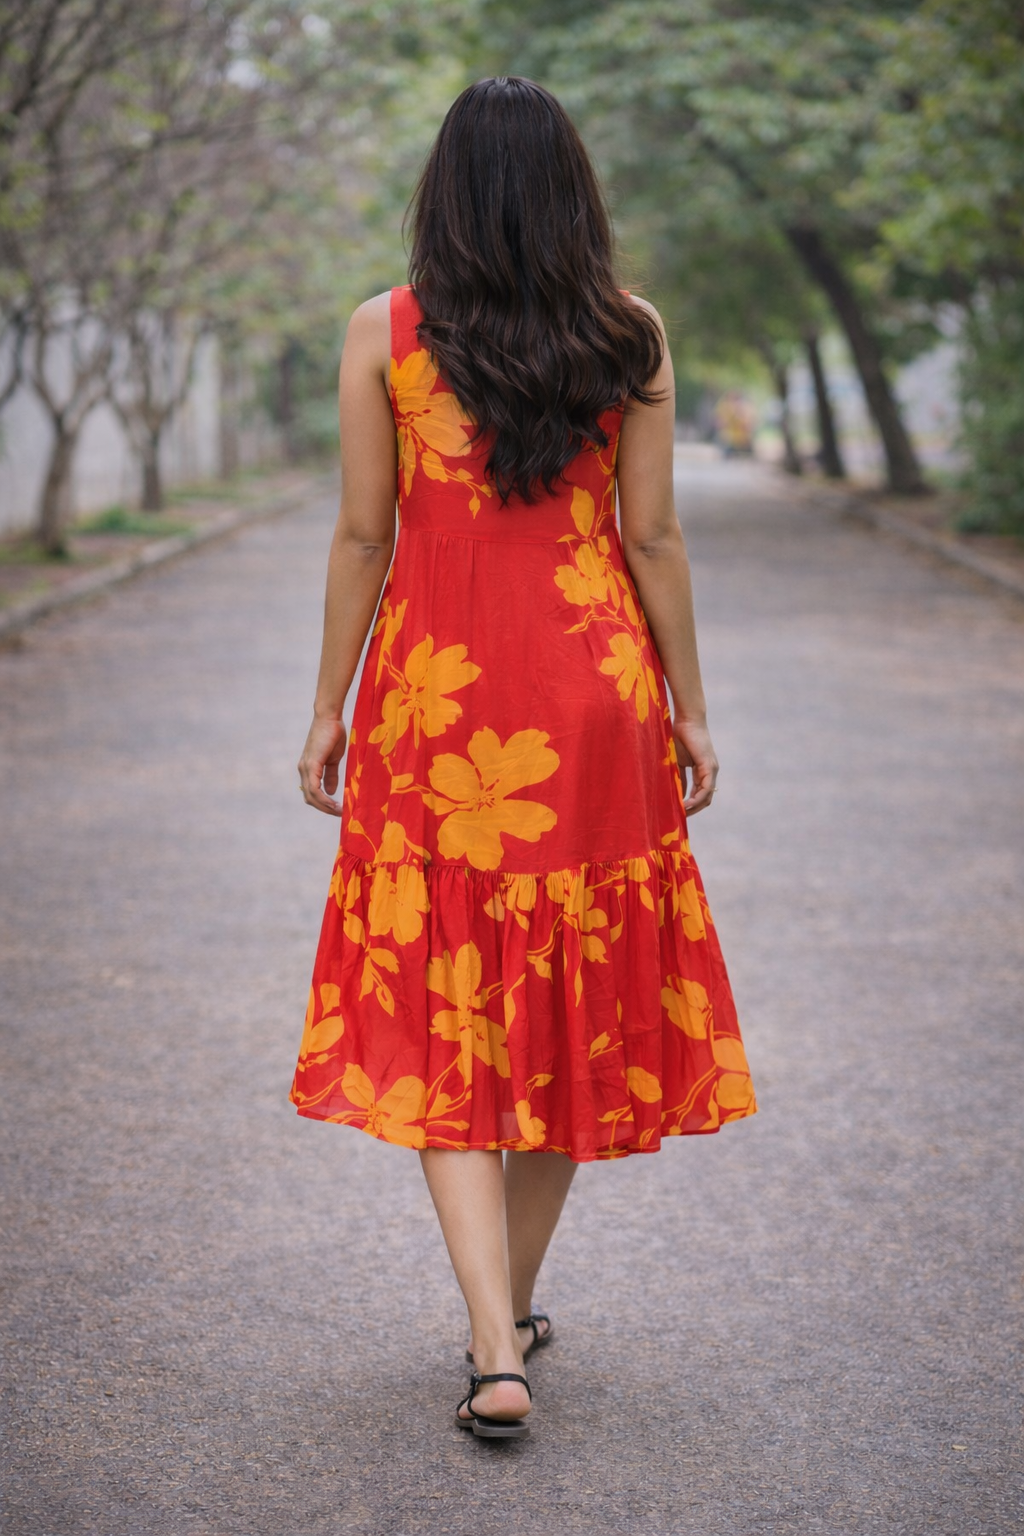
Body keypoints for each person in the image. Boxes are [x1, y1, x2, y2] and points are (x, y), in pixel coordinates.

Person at [292, 76, 756, 1441]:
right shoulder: (630, 333)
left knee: (447, 1010)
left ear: (445, 190)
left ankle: (496, 1339)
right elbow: (654, 538)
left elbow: (363, 537)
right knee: (577, 1005)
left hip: (439, 708)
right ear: (573, 193)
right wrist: (690, 706)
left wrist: (327, 703)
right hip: (594, 699)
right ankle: (503, 1326)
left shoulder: (386, 331)